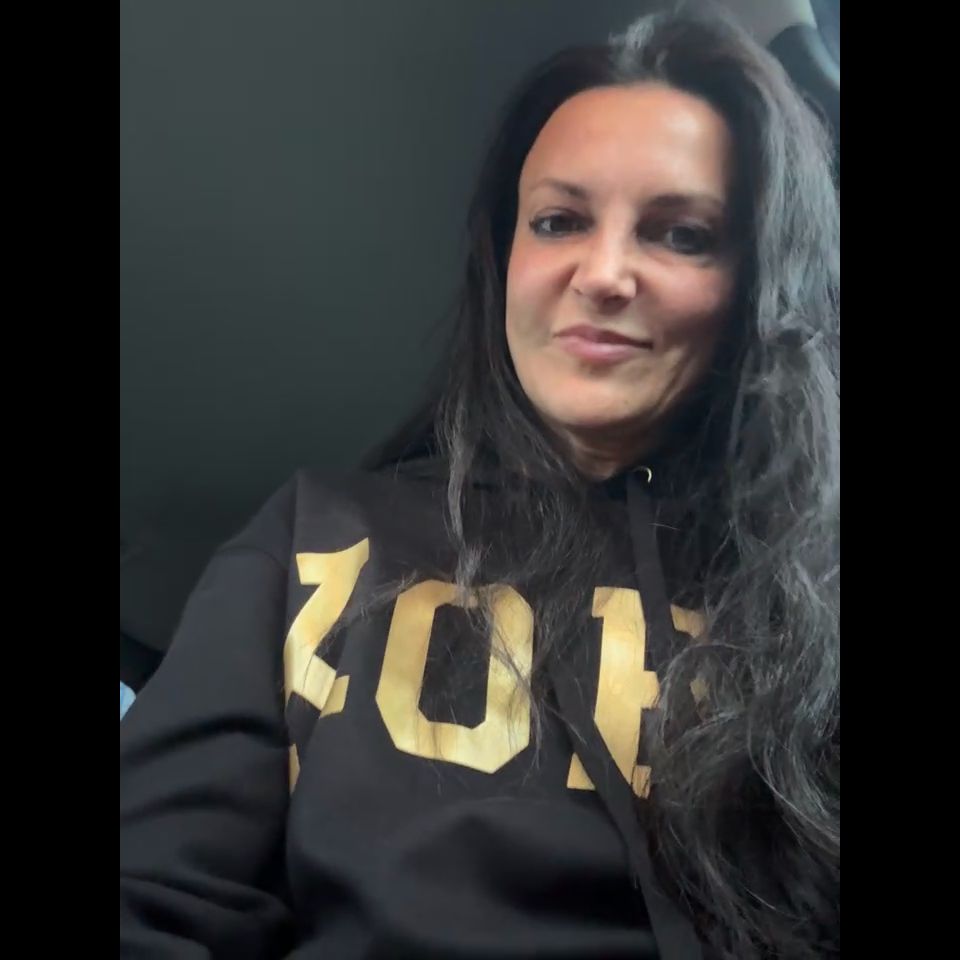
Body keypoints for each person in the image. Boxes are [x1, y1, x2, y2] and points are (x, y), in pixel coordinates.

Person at [120, 6, 839, 958]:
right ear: (505, 259)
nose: (604, 273)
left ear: (754, 284)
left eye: (680, 234)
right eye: (559, 221)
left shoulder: (815, 590)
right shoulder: (313, 537)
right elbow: (151, 900)